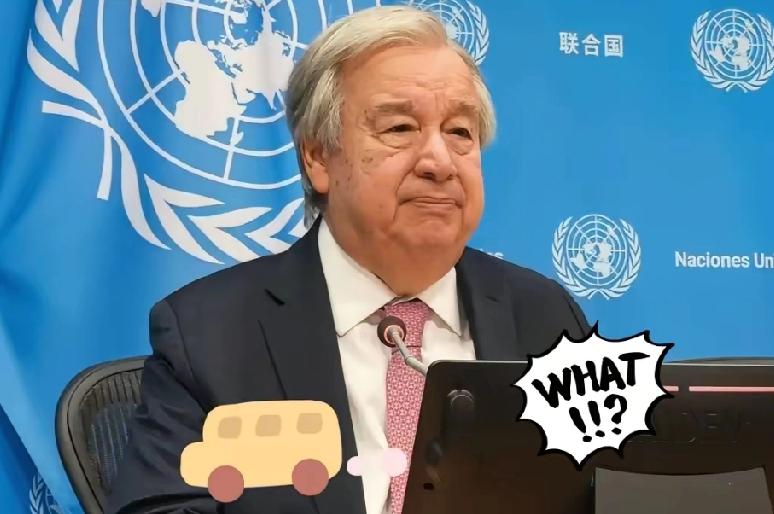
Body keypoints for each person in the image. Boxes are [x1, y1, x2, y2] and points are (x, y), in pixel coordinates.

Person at [106, 5, 590, 514]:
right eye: (400, 128)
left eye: (460, 133)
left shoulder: (544, 318)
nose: (439, 162)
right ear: (318, 157)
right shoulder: (210, 335)